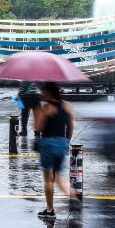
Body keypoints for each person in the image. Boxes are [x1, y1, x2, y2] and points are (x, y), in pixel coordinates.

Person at [34, 82, 78, 219]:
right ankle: (72, 195)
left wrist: (36, 112)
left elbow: (38, 127)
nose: (42, 94)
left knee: (48, 179)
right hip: (62, 143)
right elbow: (70, 126)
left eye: (44, 92)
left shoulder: (46, 107)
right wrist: (67, 142)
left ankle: (50, 210)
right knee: (59, 176)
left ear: (49, 92)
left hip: (47, 143)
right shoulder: (66, 106)